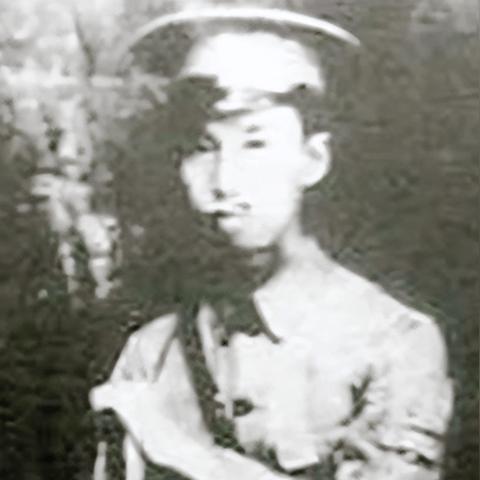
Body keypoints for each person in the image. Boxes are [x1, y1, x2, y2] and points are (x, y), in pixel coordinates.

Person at [90, 5, 453, 480]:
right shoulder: (150, 353)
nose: (224, 180)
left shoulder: (393, 341)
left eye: (255, 143)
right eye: (203, 147)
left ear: (313, 159)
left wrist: (188, 455)